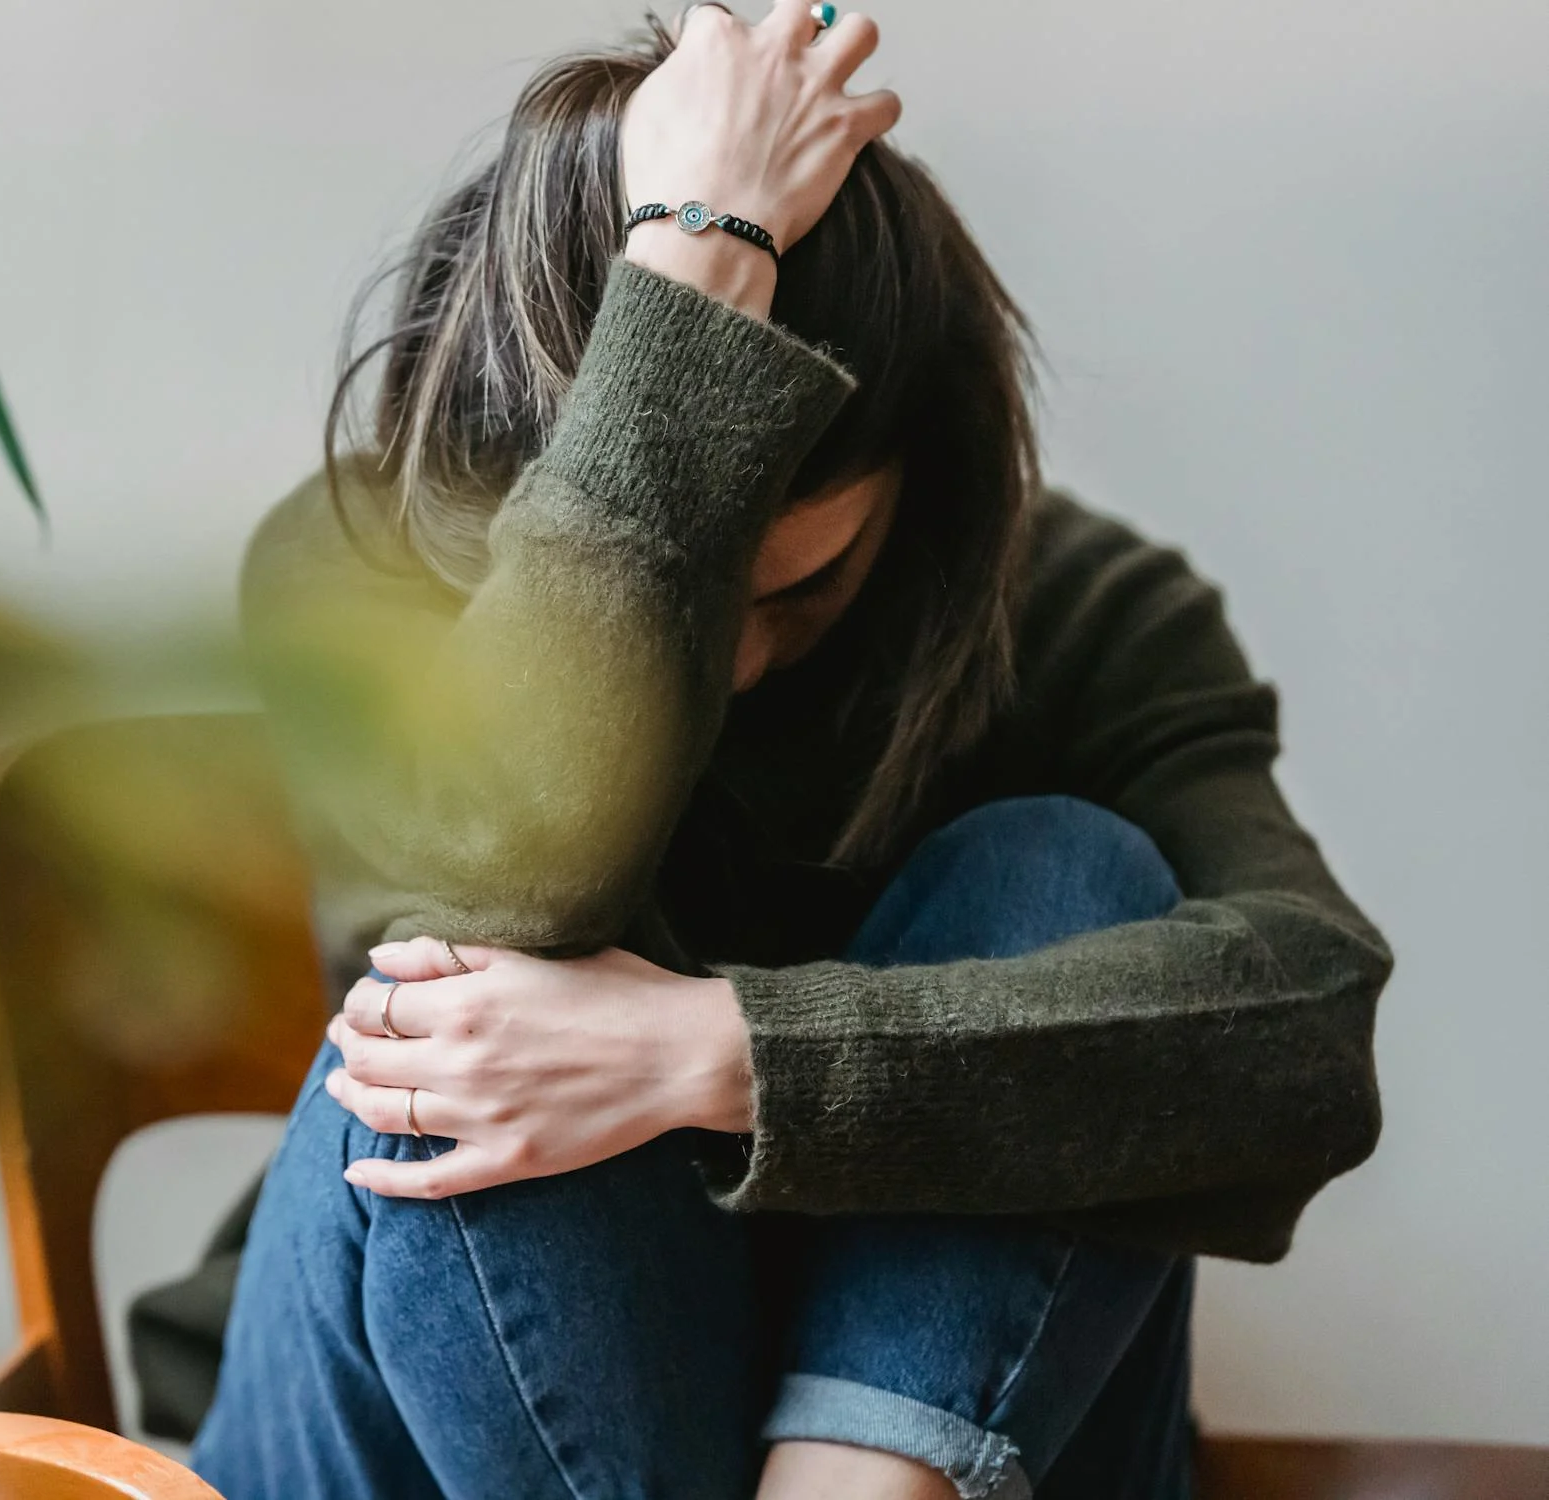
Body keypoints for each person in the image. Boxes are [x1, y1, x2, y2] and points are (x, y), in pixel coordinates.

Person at [135, 5, 1391, 1497]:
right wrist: (697, 261)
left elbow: (1302, 1030)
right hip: (405, 1429)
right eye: (684, 581)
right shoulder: (357, 564)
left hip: (904, 1453)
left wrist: (714, 1056)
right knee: (468, 1026)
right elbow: (498, 900)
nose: (728, 658)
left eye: (794, 589)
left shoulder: (1066, 605)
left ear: (919, 489)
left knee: (1064, 867)